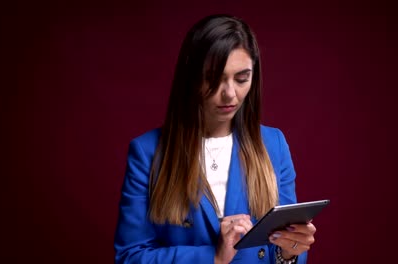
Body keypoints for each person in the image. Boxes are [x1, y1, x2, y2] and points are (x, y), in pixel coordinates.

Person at [114, 14, 317, 264]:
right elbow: (130, 257)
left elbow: (285, 249)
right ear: (191, 78)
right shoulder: (148, 152)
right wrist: (213, 257)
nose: (230, 94)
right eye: (213, 78)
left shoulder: (273, 144)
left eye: (242, 78)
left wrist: (290, 252)